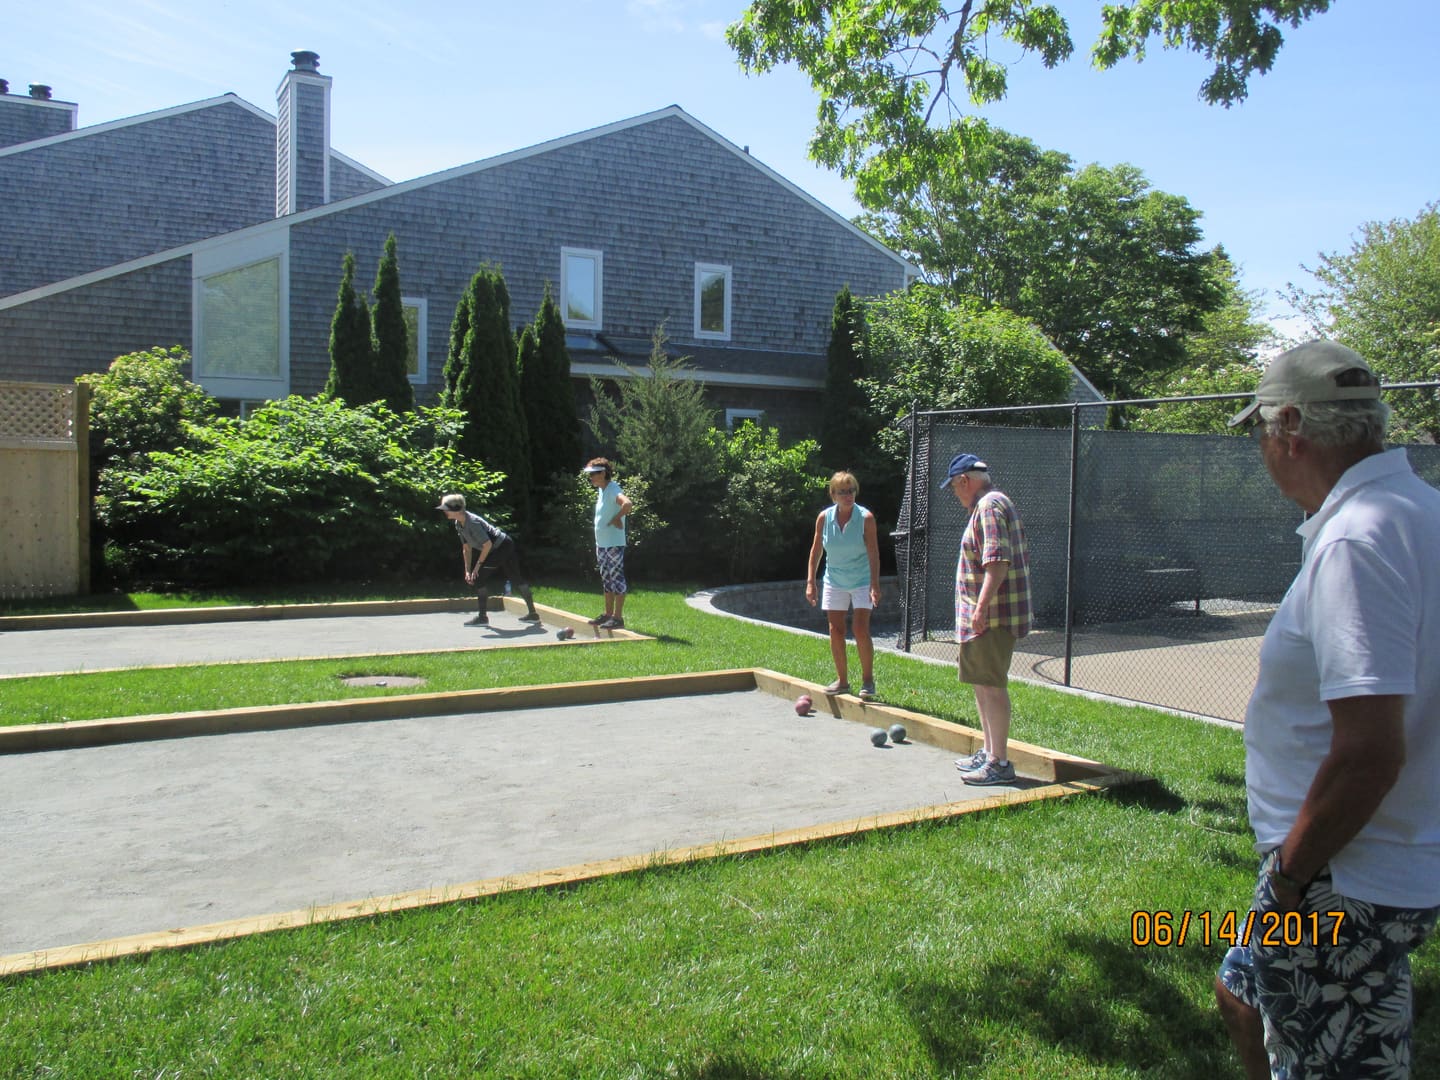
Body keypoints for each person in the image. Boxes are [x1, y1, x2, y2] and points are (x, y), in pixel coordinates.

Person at [1213, 340, 1440, 1079]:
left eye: (1259, 431)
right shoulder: (1418, 510)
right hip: (1370, 863)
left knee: (1332, 1065)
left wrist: (1288, 879)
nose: (1260, 448)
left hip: (1342, 876)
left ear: (1289, 429)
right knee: (1241, 994)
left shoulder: (1356, 540)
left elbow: (1370, 752)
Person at [941, 452, 1032, 786]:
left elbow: (997, 562)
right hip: (981, 618)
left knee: (992, 686)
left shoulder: (990, 506)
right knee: (982, 683)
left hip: (992, 617)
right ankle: (989, 750)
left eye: (954, 487)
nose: (955, 494)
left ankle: (1000, 762)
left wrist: (980, 609)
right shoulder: (986, 506)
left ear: (965, 480)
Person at [805, 470, 882, 699]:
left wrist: (875, 585)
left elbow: (874, 554)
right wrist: (811, 581)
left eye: (851, 491)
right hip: (834, 579)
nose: (848, 496)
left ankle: (868, 681)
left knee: (860, 629)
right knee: (835, 629)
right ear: (833, 495)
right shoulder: (824, 518)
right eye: (842, 492)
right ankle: (842, 681)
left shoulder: (865, 518)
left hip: (861, 580)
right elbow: (816, 550)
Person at [436, 493, 540, 626]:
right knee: (514, 577)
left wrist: (476, 568)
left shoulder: (472, 522)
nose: (444, 511)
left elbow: (487, 545)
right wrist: (467, 571)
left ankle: (483, 618)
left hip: (502, 546)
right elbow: (466, 548)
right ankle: (533, 614)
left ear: (456, 509)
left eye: (446, 509)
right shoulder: (458, 524)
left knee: (480, 578)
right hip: (497, 547)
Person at [584, 457, 632, 629]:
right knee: (607, 580)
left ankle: (618, 619)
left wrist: (616, 519)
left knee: (617, 579)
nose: (591, 478)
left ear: (603, 473)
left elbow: (627, 504)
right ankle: (608, 615)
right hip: (602, 544)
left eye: (593, 475)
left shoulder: (612, 489)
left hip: (613, 544)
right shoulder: (602, 490)